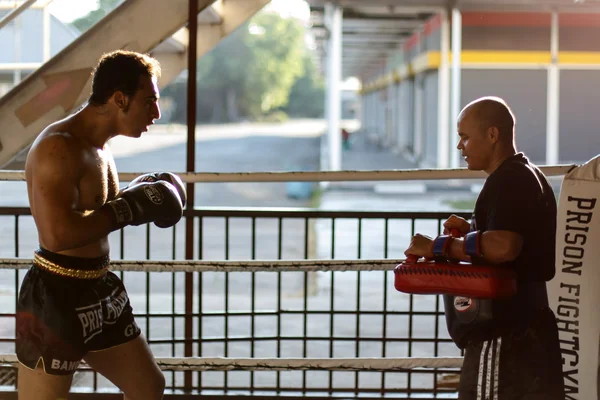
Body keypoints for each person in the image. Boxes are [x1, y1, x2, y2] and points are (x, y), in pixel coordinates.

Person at [16, 50, 187, 400]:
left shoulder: (100, 148)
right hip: (55, 295)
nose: (156, 112)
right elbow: (57, 234)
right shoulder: (57, 148)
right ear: (120, 99)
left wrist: (131, 198)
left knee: (147, 387)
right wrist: (130, 208)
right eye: (149, 101)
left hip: (100, 289)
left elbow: (93, 207)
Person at [404, 96, 565, 399]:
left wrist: (439, 246)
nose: (459, 146)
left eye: (465, 137)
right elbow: (516, 237)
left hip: (506, 334)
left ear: (492, 135)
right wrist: (474, 230)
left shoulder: (509, 180)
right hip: (529, 328)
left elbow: (505, 246)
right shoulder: (526, 174)